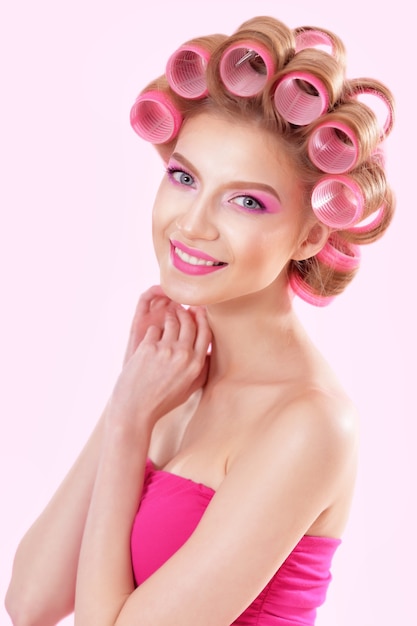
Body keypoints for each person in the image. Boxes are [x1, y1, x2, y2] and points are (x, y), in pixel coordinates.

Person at [5, 15, 395, 626]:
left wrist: (135, 426)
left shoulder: (310, 422)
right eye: (184, 178)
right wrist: (129, 397)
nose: (191, 224)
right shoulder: (173, 374)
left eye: (246, 201)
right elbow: (30, 603)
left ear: (312, 232)